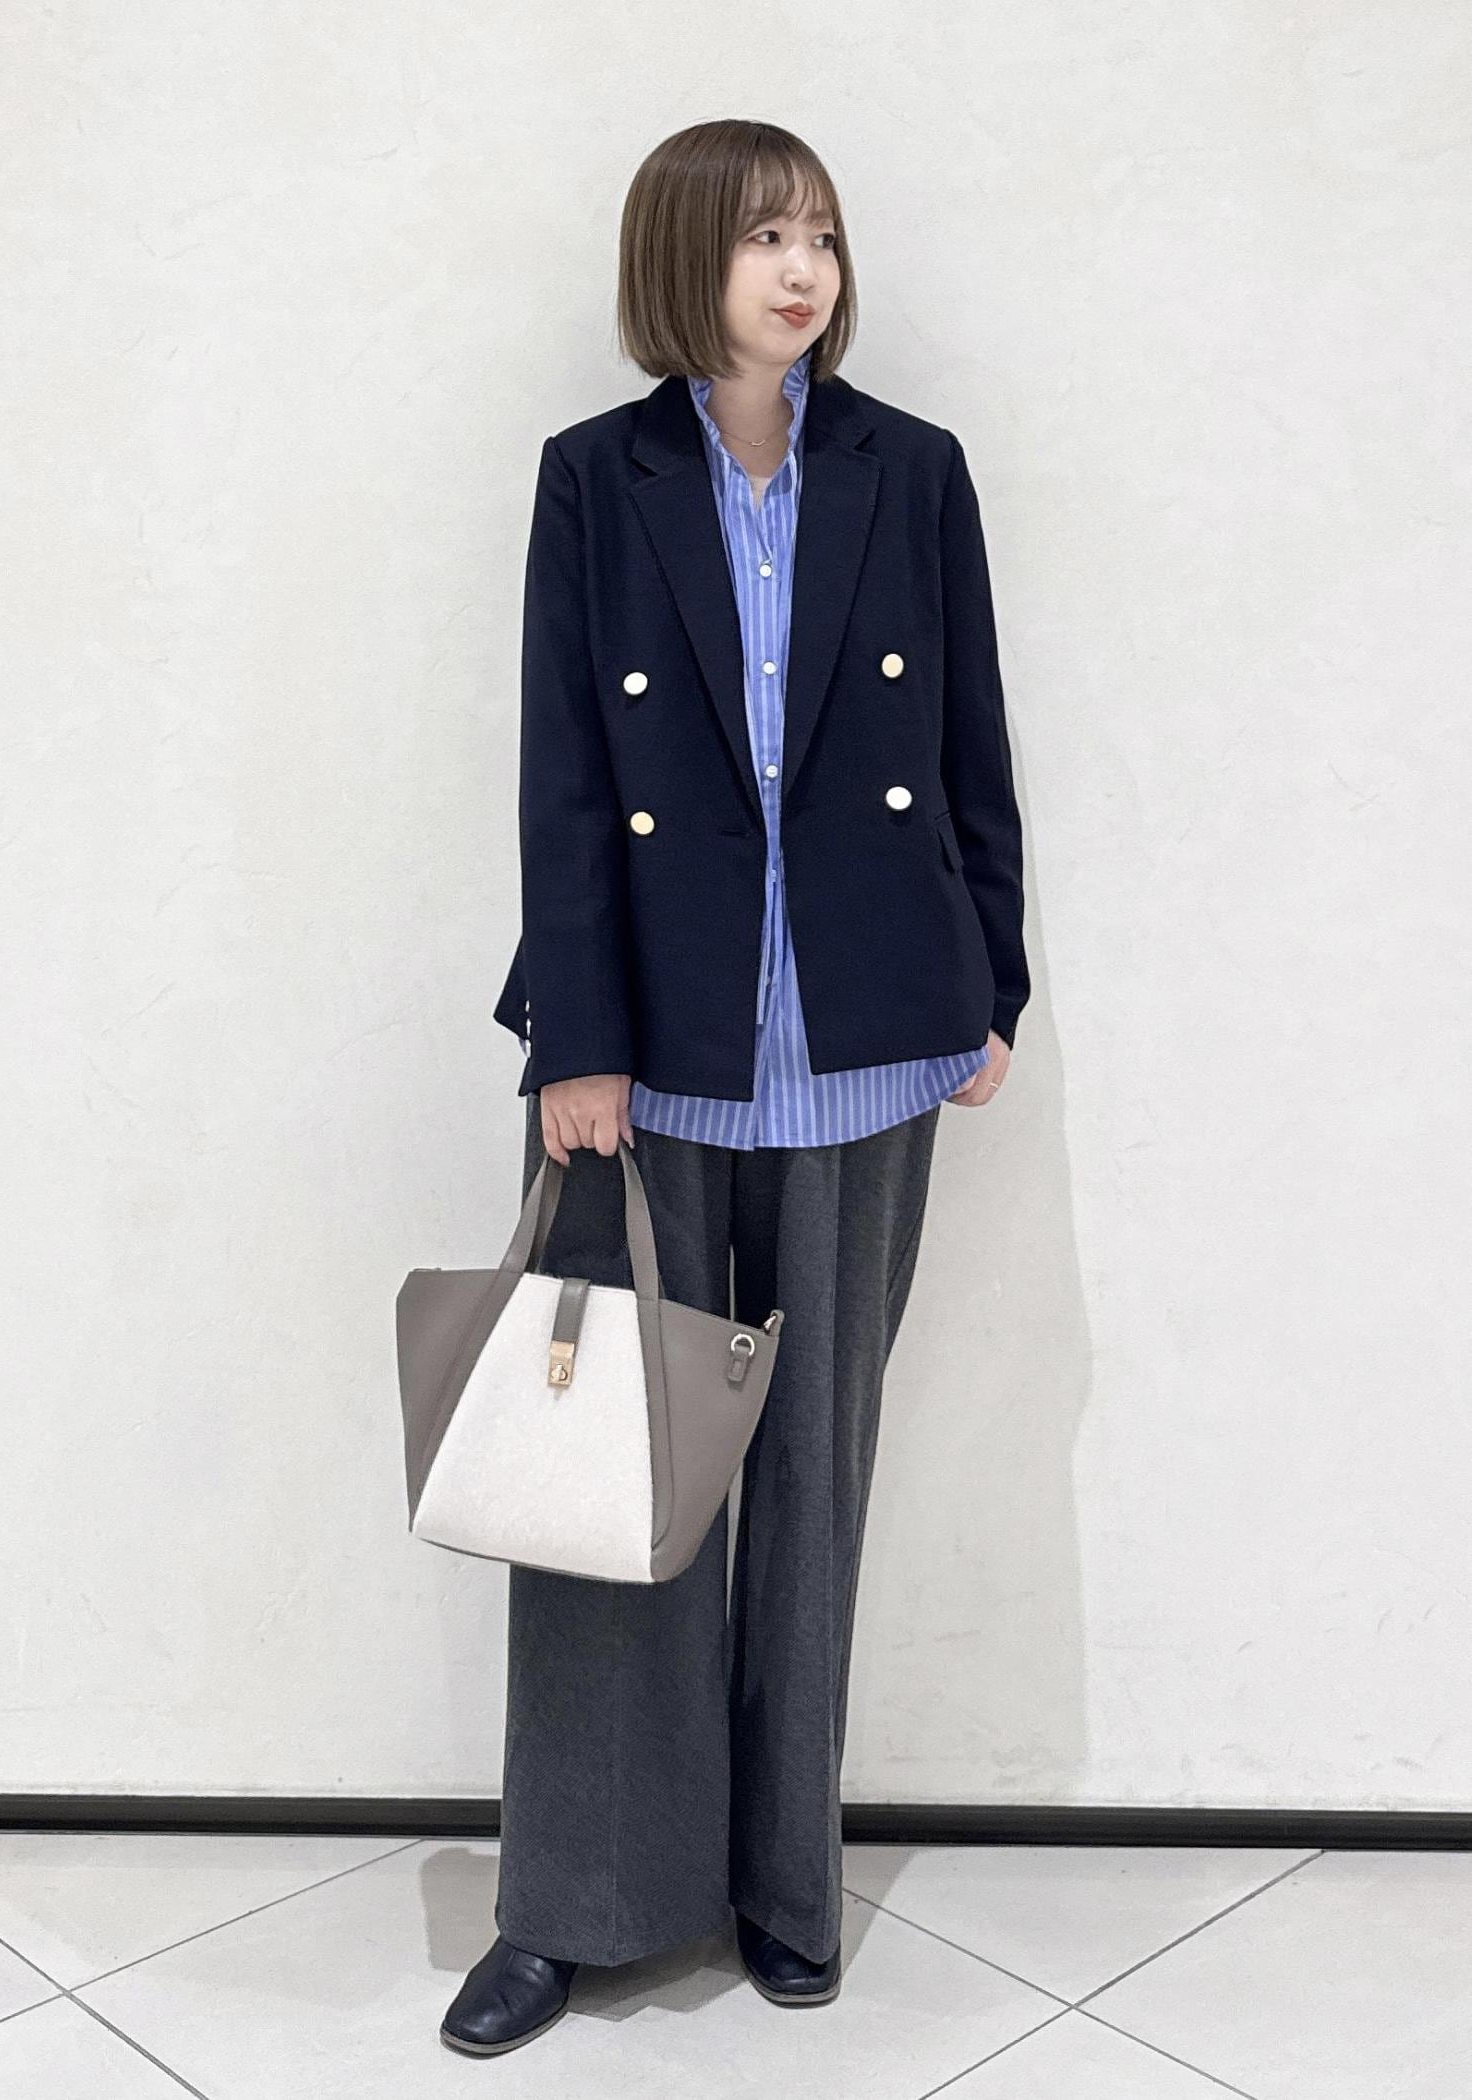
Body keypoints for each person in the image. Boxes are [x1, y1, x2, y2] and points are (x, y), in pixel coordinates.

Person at [441, 116, 1030, 2057]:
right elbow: (559, 777)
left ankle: (784, 1886)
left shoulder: (909, 471)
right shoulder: (595, 480)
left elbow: (972, 741)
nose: (802, 271)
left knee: (811, 1480)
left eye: (824, 239)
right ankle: (578, 1906)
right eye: (767, 234)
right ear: (683, 255)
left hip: (866, 1053)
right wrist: (578, 1042)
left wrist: (988, 979)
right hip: (655, 1068)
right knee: (613, 1489)